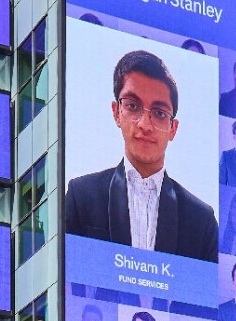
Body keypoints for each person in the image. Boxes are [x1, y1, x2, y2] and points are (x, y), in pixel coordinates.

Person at [64, 50, 219, 261]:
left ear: (173, 128)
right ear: (116, 112)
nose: (145, 125)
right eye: (133, 106)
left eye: (159, 113)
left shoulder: (202, 220)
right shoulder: (81, 195)